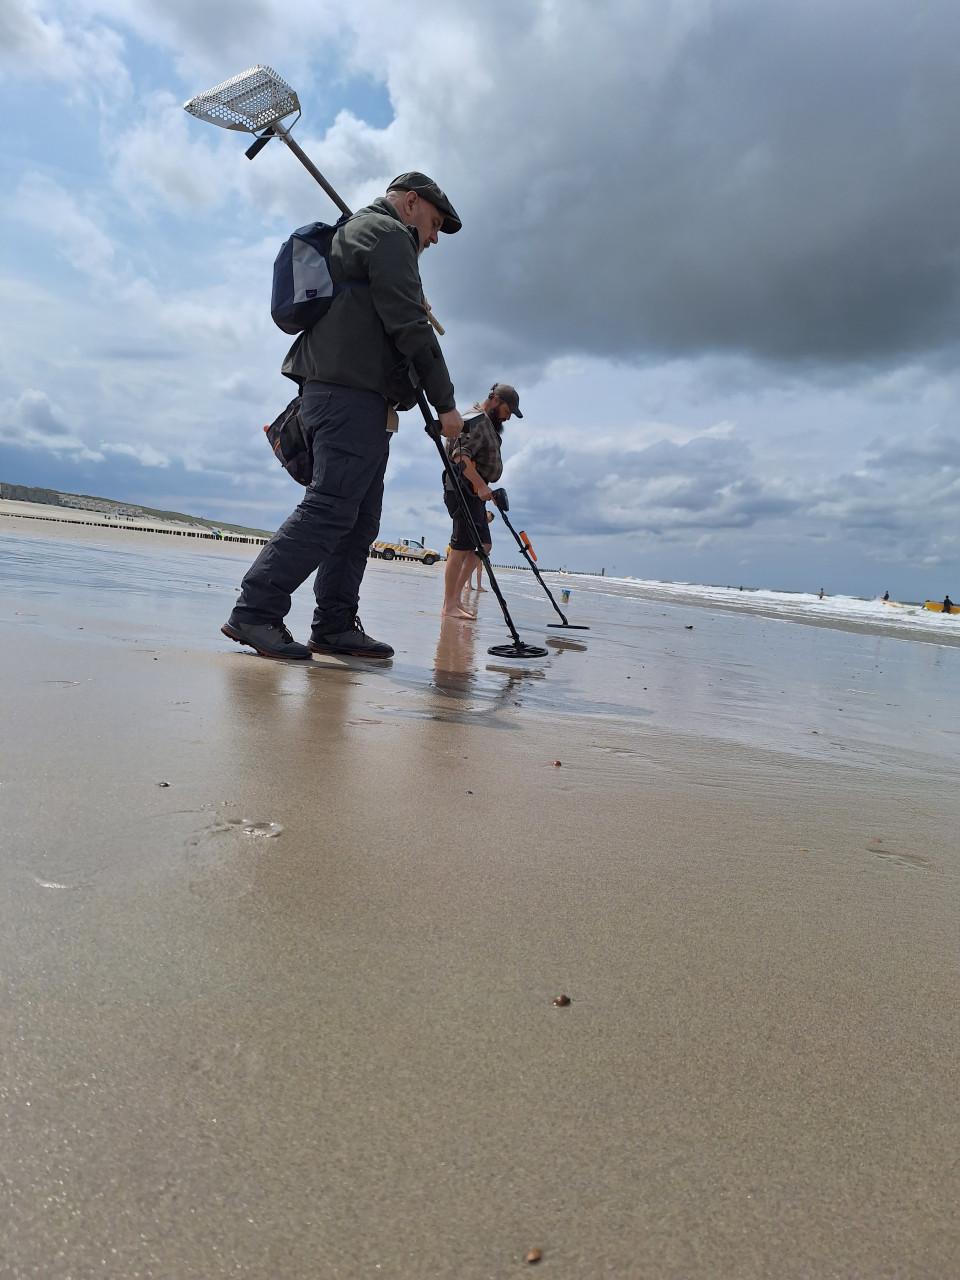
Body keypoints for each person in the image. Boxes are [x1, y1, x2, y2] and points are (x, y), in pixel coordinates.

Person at [222, 172, 464, 660]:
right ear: (411, 203)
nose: (434, 238)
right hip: (346, 394)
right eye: (435, 224)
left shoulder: (365, 235)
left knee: (358, 521)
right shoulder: (388, 234)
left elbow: (388, 313)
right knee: (331, 507)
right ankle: (255, 611)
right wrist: (446, 404)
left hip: (359, 397)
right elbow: (411, 328)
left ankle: (333, 624)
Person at [441, 383, 523, 619]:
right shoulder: (476, 420)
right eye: (508, 411)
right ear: (496, 401)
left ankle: (454, 599)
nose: (508, 418)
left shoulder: (486, 422)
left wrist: (484, 487)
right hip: (463, 488)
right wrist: (479, 484)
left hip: (475, 491)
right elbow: (459, 455)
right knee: (460, 547)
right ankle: (449, 606)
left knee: (483, 545)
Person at [469, 512, 495, 590]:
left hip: (478, 547)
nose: (488, 522)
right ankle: (470, 585)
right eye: (489, 519)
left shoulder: (483, 524)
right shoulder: (480, 522)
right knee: (472, 567)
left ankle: (475, 585)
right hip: (475, 547)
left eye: (489, 521)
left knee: (478, 568)